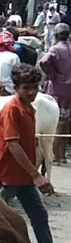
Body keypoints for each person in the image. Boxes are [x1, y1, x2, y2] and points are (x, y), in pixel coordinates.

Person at [0, 63, 71, 243]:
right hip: (8, 176)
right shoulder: (12, 109)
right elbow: (13, 144)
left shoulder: (29, 108)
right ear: (16, 87)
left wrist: (32, 173)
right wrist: (36, 174)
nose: (32, 92)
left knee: (39, 215)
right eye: (27, 87)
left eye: (35, 87)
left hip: (24, 176)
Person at [39, 23, 71, 164]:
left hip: (56, 89)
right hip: (69, 91)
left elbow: (44, 61)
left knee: (55, 122)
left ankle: (53, 153)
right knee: (65, 121)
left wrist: (53, 74)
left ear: (56, 35)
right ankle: (62, 155)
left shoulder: (55, 49)